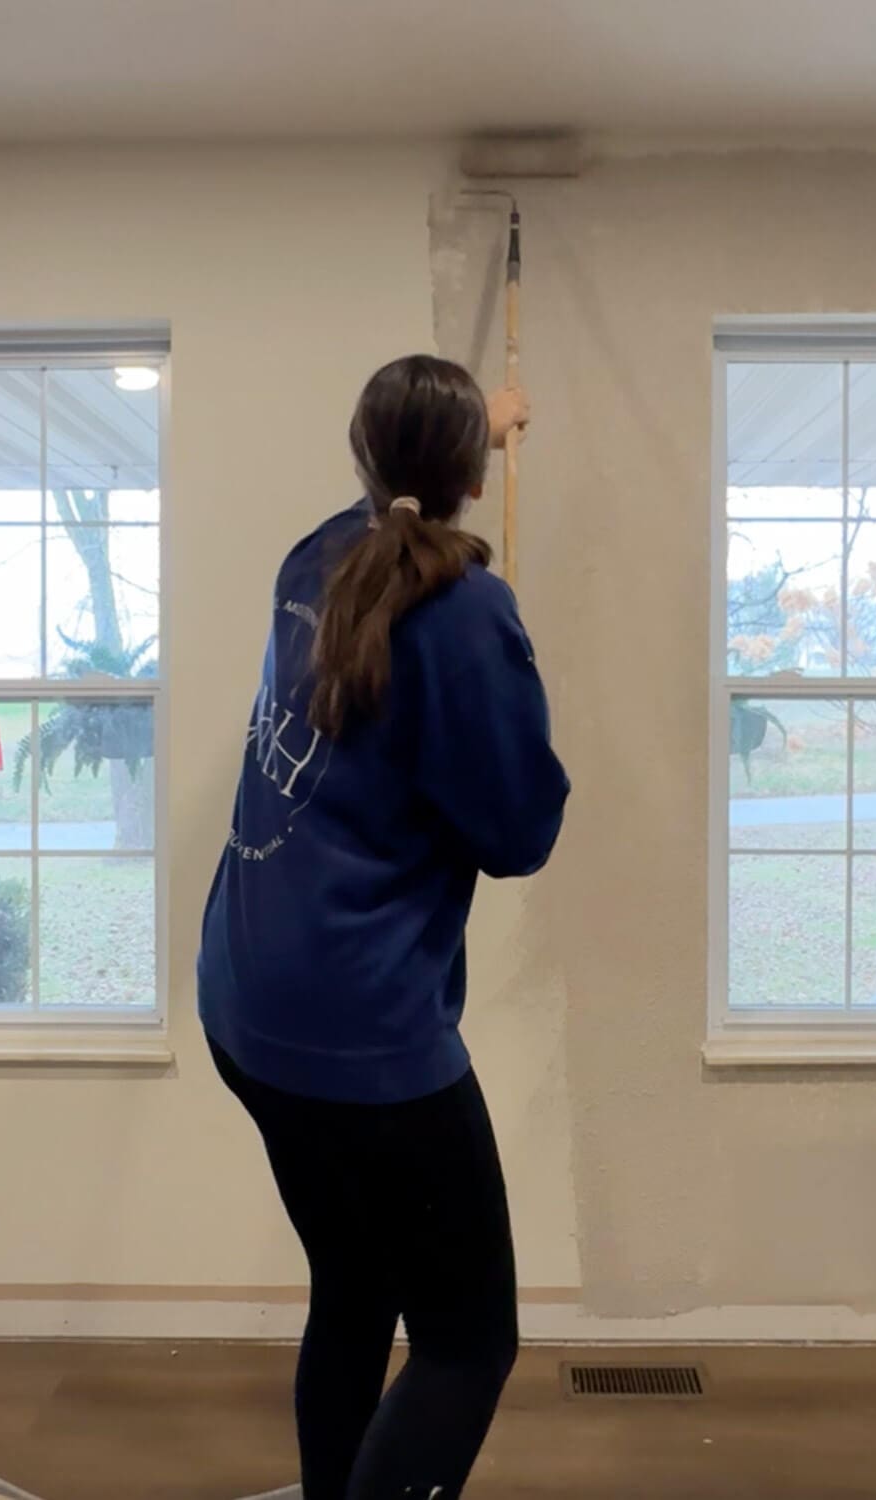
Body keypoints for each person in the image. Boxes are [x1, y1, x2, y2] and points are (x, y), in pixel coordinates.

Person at [198, 354, 569, 1500]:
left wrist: (471, 426)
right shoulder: (464, 613)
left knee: (356, 1285)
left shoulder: (316, 559)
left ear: (362, 463)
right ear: (464, 473)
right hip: (363, 1040)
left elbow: (396, 489)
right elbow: (518, 831)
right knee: (468, 1339)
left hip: (248, 1003)